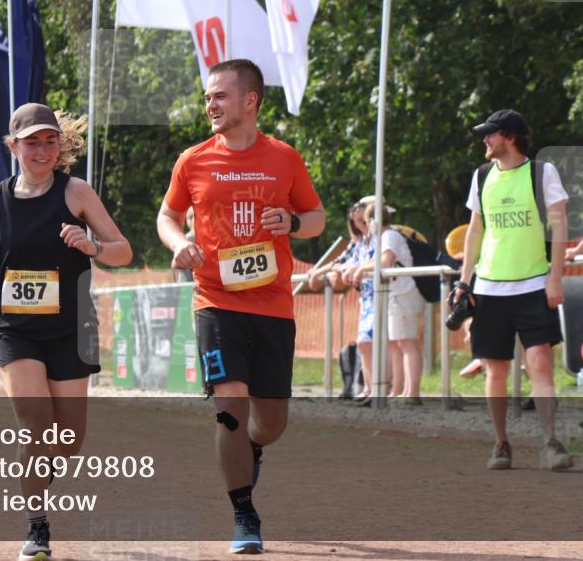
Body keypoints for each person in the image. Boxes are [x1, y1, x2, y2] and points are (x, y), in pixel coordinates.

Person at [156, 59, 325, 554]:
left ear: (250, 101)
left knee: (269, 424)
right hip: (215, 301)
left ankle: (252, 447)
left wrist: (291, 223)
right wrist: (176, 245)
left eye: (219, 96)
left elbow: (316, 216)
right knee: (230, 407)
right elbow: (169, 214)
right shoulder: (193, 160)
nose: (209, 104)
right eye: (207, 97)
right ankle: (244, 513)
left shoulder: (284, 158)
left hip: (273, 305)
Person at [0, 102, 132, 561]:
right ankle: (37, 526)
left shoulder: (76, 192)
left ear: (60, 144)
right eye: (31, 142)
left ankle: (33, 476)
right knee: (37, 422)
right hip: (16, 330)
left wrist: (92, 245)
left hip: (72, 327)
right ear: (13, 147)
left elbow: (123, 250)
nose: (42, 150)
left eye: (49, 140)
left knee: (68, 440)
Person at [452, 109, 573, 471]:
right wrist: (464, 281)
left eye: (491, 134)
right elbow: (474, 232)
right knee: (496, 370)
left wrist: (555, 277)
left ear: (510, 136)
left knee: (540, 364)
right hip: (489, 288)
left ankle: (550, 441)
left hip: (534, 283)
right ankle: (501, 444)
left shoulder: (542, 172)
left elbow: (559, 226)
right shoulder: (481, 175)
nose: (485, 140)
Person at [353, 202, 425, 403]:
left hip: (404, 293)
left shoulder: (390, 236)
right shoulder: (383, 237)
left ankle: (412, 393)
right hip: (395, 295)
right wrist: (360, 268)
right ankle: (398, 390)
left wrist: (360, 269)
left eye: (367, 221)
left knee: (407, 342)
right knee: (396, 344)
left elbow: (385, 261)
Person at [307, 199, 374, 400]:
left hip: (381, 297)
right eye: (355, 222)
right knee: (365, 343)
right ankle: (367, 388)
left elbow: (350, 264)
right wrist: (319, 271)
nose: (359, 225)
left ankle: (380, 389)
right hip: (367, 298)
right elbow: (342, 261)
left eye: (363, 220)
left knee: (378, 344)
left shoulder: (381, 238)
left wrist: (338, 269)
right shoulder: (359, 242)